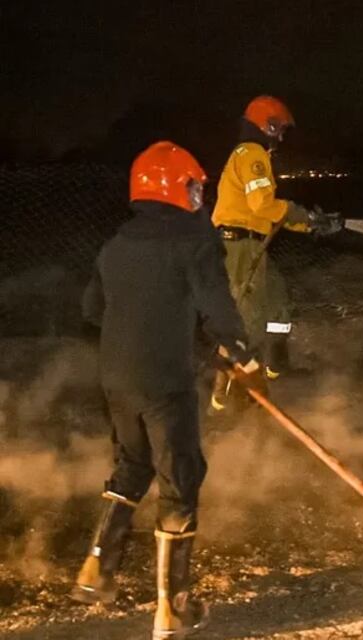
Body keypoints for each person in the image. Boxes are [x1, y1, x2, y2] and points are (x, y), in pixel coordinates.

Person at [72, 141, 262, 639]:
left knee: (133, 464)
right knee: (180, 479)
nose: (200, 196)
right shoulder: (193, 243)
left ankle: (95, 571)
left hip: (116, 377)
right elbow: (217, 308)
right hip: (165, 382)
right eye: (194, 187)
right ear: (175, 189)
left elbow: (93, 310)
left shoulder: (115, 245)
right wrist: (242, 353)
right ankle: (173, 611)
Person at [209, 95, 342, 413]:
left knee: (278, 303)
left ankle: (274, 365)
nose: (281, 137)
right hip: (239, 247)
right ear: (266, 125)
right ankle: (230, 394)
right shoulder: (252, 154)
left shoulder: (252, 155)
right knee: (247, 319)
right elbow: (264, 206)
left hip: (251, 244)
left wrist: (310, 224)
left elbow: (269, 215)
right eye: (279, 129)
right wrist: (303, 215)